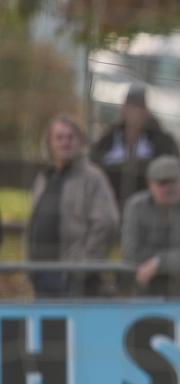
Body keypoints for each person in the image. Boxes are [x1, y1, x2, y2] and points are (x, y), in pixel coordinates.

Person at [28, 115, 119, 297]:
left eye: (71, 137)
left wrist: (82, 267)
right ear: (49, 143)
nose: (65, 142)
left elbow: (107, 223)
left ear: (80, 142)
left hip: (73, 278)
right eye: (59, 138)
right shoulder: (44, 178)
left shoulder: (92, 178)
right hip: (41, 273)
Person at [121, 155, 180, 297]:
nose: (168, 188)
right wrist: (177, 263)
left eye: (173, 182)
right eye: (162, 182)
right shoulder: (136, 206)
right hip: (145, 287)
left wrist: (159, 263)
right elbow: (132, 251)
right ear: (150, 184)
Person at [90, 85, 180, 211]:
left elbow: (173, 171)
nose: (135, 113)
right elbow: (94, 165)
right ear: (123, 109)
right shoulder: (107, 140)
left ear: (147, 112)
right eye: (131, 107)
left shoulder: (164, 142)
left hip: (151, 209)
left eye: (139, 108)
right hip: (110, 205)